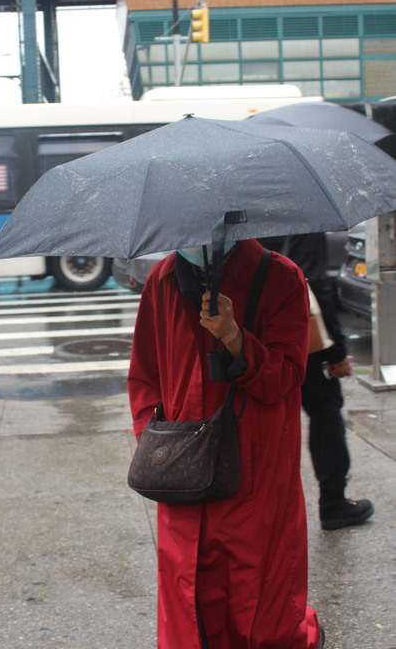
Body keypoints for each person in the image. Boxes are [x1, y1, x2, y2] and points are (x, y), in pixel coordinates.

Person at [127, 239, 324, 649]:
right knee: (188, 590)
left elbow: (286, 376)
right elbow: (145, 377)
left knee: (258, 596)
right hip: (183, 469)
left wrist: (234, 336)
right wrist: (154, 442)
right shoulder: (161, 280)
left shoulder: (281, 276)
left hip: (257, 470)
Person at [262, 233, 374, 531]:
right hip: (301, 334)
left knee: (264, 421)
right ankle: (333, 501)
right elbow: (312, 284)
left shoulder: (242, 210)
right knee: (326, 411)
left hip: (257, 331)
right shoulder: (300, 214)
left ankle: (267, 510)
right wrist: (336, 351)